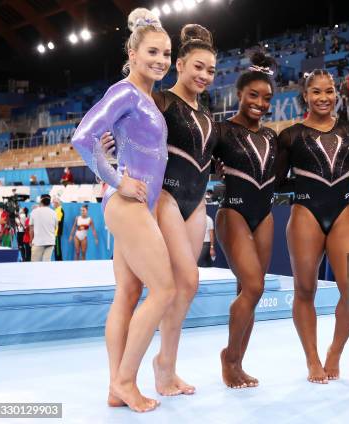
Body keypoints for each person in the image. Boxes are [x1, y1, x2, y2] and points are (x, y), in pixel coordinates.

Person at [100, 22, 218, 400]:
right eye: (196, 66)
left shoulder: (205, 112)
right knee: (157, 288)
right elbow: (118, 129)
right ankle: (136, 375)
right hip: (155, 199)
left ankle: (144, 375)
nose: (203, 75)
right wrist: (112, 164)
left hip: (190, 201)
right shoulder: (157, 100)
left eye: (211, 70)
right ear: (180, 65)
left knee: (150, 288)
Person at [72, 8, 175, 412]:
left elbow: (103, 141)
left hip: (135, 205)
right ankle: (127, 380)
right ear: (132, 53)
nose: (161, 60)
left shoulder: (143, 96)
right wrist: (118, 180)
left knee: (129, 293)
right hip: (127, 203)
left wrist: (109, 158)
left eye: (166, 54)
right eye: (153, 52)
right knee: (164, 289)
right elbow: (83, 137)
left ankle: (116, 388)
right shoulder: (126, 92)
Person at [276, 69, 349, 384]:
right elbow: (273, 181)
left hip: (342, 211)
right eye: (316, 92)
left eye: (329, 91)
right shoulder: (290, 135)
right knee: (305, 289)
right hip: (305, 213)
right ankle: (312, 359)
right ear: (305, 95)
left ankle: (334, 352)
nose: (323, 98)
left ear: (337, 93)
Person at [213, 52, 278, 389]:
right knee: (255, 287)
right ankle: (229, 358)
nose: (260, 103)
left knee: (248, 292)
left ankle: (239, 363)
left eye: (267, 98)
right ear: (239, 94)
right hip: (233, 211)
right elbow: (200, 166)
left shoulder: (270, 136)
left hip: (263, 214)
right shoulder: (221, 131)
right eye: (253, 95)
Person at [29, 195, 57, 262]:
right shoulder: (54, 213)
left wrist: (30, 240)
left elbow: (31, 228)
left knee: (35, 263)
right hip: (50, 241)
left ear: (41, 202)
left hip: (38, 242)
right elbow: (55, 227)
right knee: (46, 263)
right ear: (49, 203)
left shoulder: (34, 212)